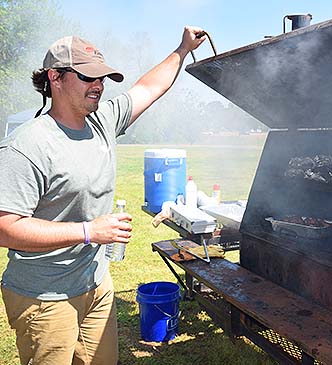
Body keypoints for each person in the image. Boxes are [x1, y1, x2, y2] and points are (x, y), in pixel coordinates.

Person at [0, 26, 206, 365]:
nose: (99, 85)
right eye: (87, 77)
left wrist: (182, 49)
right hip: (44, 297)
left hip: (95, 283)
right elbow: (5, 227)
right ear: (55, 78)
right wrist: (88, 231)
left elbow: (149, 87)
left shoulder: (103, 122)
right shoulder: (28, 146)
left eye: (103, 79)